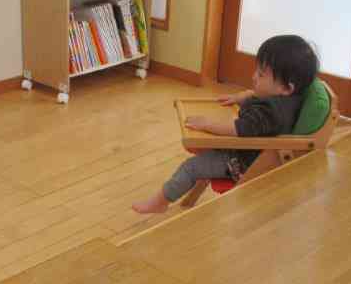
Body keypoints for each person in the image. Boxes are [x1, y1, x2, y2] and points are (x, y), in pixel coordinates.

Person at [132, 35, 317, 214]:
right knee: (200, 155)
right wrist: (245, 96)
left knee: (191, 167)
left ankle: (160, 202)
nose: (254, 77)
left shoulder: (271, 111)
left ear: (287, 88)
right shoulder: (288, 100)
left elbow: (239, 128)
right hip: (246, 151)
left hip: (243, 162)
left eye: (261, 75)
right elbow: (259, 104)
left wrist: (207, 124)